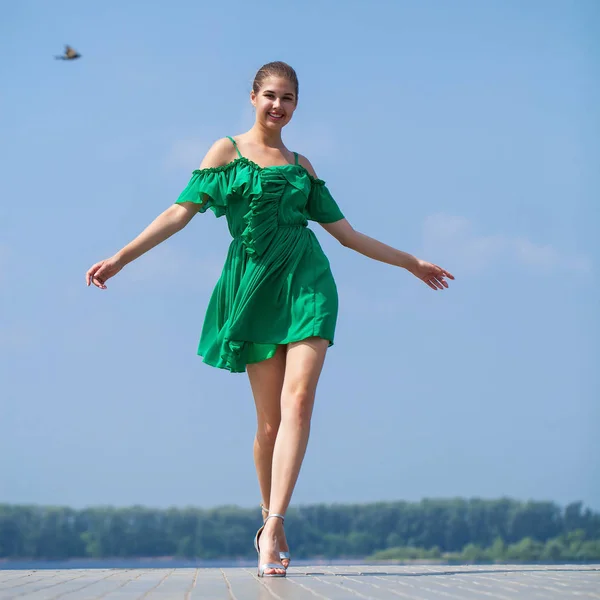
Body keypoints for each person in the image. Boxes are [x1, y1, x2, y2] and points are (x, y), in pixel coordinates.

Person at [85, 61, 454, 577]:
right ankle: (266, 517)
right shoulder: (226, 152)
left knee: (299, 400)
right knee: (269, 423)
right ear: (253, 98)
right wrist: (121, 258)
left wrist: (411, 262)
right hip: (254, 287)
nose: (278, 106)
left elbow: (347, 235)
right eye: (270, 96)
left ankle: (275, 524)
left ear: (296, 105)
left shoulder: (302, 164)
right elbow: (178, 212)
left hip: (306, 281)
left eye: (288, 98)